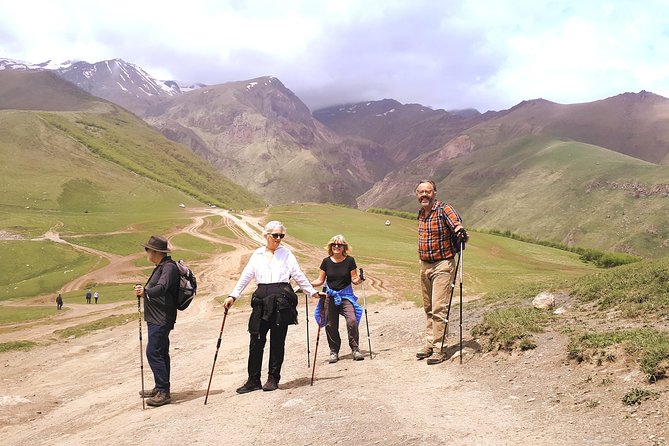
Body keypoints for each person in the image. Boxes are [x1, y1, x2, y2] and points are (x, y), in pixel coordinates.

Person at [224, 221, 320, 394]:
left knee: (277, 341)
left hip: (282, 299)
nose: (278, 239)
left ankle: (273, 378)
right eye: (275, 235)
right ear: (266, 235)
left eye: (281, 236)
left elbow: (298, 274)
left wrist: (311, 292)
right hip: (261, 299)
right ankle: (253, 380)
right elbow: (246, 276)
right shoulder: (257, 254)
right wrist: (233, 295)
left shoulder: (287, 253)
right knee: (256, 340)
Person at [415, 180, 469, 365]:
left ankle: (439, 349)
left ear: (434, 193)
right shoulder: (421, 213)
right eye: (421, 192)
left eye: (427, 191)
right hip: (424, 265)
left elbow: (456, 222)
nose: (424, 195)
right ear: (417, 194)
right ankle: (430, 344)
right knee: (428, 307)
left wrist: (460, 231)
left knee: (439, 307)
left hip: (443, 265)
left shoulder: (444, 209)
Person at [134, 235, 180, 407]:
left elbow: (162, 288)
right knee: (160, 352)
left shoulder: (168, 268)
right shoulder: (162, 266)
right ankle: (160, 387)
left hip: (161, 318)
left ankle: (163, 391)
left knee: (153, 352)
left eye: (147, 249)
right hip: (157, 317)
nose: (146, 252)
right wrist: (145, 291)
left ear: (155, 252)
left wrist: (144, 292)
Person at [310, 234, 365, 363]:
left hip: (346, 296)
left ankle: (355, 349)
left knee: (352, 321)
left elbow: (354, 280)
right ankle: (334, 351)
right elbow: (320, 280)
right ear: (330, 247)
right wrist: (306, 284)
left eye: (339, 245)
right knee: (330, 325)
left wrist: (360, 279)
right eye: (334, 244)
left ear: (343, 247)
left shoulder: (350, 261)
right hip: (330, 296)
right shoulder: (326, 261)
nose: (336, 247)